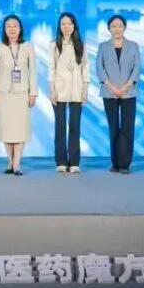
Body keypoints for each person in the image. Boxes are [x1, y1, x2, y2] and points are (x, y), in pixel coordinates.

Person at [0, 14, 37, 176]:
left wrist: (33, 93)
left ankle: (17, 163)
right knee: (6, 129)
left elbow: (33, 70)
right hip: (3, 93)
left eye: (15, 26)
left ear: (20, 28)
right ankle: (10, 162)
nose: (11, 29)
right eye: (8, 26)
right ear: (4, 29)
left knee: (20, 129)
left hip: (22, 93)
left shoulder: (28, 46)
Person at [97, 14, 142, 174]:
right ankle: (115, 163)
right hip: (109, 92)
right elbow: (100, 68)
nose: (117, 29)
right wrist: (112, 87)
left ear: (124, 28)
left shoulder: (133, 46)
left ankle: (125, 164)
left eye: (120, 26)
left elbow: (137, 67)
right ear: (109, 28)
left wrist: (126, 86)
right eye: (113, 26)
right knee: (113, 127)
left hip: (129, 91)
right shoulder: (103, 46)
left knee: (127, 127)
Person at [48, 12, 89, 174]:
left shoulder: (81, 44)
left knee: (75, 126)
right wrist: (52, 90)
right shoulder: (54, 45)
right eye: (63, 24)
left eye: (69, 24)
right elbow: (51, 68)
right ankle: (61, 161)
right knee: (60, 126)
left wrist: (85, 90)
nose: (66, 27)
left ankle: (74, 162)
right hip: (59, 89)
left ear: (74, 26)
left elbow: (85, 68)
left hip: (77, 89)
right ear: (59, 26)